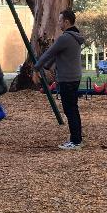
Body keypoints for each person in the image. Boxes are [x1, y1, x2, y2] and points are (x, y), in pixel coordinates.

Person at [35, 9, 86, 149]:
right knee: (73, 109)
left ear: (67, 22)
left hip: (67, 79)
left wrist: (36, 67)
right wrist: (46, 66)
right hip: (74, 77)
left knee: (70, 110)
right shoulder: (75, 37)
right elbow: (58, 55)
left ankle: (75, 141)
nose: (58, 23)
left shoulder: (65, 38)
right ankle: (77, 139)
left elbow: (50, 52)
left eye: (60, 21)